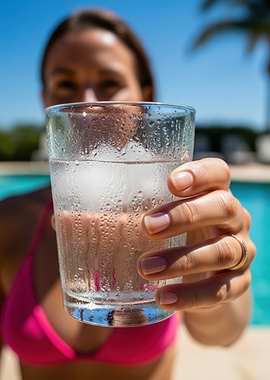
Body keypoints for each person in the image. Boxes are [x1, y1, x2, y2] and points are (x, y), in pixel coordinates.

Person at [0, 9, 256, 380]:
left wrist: (219, 268)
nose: (90, 102)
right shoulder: (11, 219)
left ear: (144, 98)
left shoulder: (178, 209)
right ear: (46, 101)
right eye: (66, 84)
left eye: (109, 82)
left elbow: (224, 334)